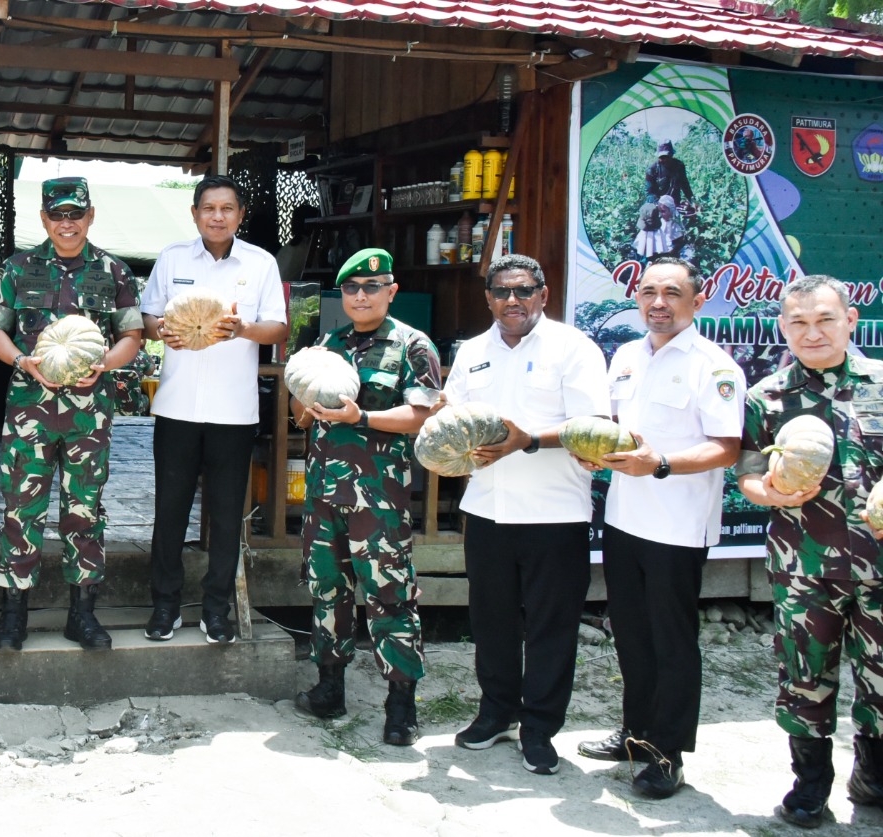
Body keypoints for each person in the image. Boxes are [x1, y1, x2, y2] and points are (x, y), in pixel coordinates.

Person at [570, 257, 744, 799]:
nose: (658, 302)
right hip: (625, 520)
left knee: (672, 641)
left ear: (697, 299)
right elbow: (618, 431)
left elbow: (727, 448)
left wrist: (662, 463)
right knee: (632, 635)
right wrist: (596, 452)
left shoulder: (714, 367)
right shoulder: (624, 356)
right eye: (648, 292)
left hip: (677, 526)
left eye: (672, 292)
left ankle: (668, 753)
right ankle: (636, 733)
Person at [440, 254, 610, 776]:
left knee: (550, 627)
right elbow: (456, 415)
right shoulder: (472, 352)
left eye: (523, 290)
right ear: (488, 298)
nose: (512, 301)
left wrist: (529, 440)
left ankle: (539, 727)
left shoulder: (574, 349)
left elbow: (594, 426)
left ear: (544, 293)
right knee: (490, 621)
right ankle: (496, 712)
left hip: (554, 512)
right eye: (501, 292)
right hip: (487, 509)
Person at [737, 274, 883, 828]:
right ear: (783, 327)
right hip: (805, 568)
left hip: (881, 567)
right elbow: (747, 474)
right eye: (798, 322)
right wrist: (768, 492)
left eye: (825, 319)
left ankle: (872, 775)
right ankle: (810, 785)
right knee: (804, 678)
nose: (812, 332)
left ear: (851, 320)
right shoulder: (767, 395)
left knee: (882, 678)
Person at [0, 176, 142, 652]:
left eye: (76, 214)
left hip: (88, 414)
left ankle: (83, 613)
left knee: (84, 511)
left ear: (90, 216)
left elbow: (132, 337)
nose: (67, 223)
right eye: (58, 215)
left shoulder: (113, 271)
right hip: (29, 411)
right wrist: (22, 360)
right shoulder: (17, 268)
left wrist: (104, 364)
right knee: (20, 508)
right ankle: (14, 615)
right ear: (44, 219)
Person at [288, 248, 440, 749]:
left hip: (377, 497)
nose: (360, 296)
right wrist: (302, 395)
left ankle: (401, 706)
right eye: (351, 288)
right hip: (324, 491)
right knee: (328, 588)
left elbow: (421, 417)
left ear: (391, 291)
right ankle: (330, 688)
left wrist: (363, 419)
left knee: (389, 596)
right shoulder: (328, 344)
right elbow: (303, 414)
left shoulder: (412, 345)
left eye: (371, 288)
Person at [139, 174, 287, 644]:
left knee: (226, 516)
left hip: (233, 411)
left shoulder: (261, 264)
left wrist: (243, 329)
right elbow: (147, 317)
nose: (217, 216)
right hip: (177, 407)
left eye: (227, 209)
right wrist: (161, 330)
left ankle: (216, 610)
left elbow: (278, 330)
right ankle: (164, 607)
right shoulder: (172, 258)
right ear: (195, 214)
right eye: (209, 208)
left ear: (240, 215)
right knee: (170, 511)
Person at [645, 141, 694, 208]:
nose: (665, 160)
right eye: (662, 157)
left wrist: (693, 201)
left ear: (671, 155)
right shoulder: (652, 170)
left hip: (674, 204)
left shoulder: (679, 166)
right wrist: (660, 204)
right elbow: (649, 194)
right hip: (657, 204)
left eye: (667, 156)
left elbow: (685, 186)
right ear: (658, 157)